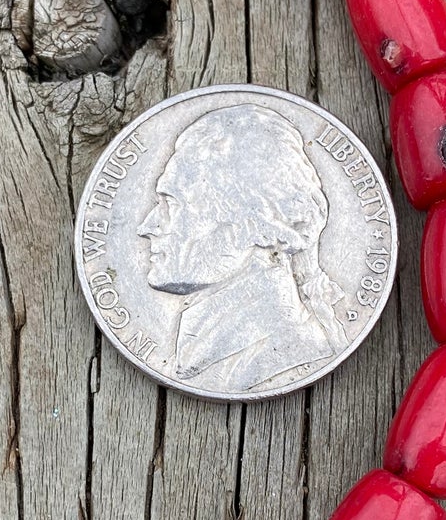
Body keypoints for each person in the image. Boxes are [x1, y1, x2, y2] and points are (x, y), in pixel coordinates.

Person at [137, 101, 347, 393]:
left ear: (252, 222)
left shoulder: (282, 358)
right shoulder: (213, 349)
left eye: (171, 204)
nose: (146, 227)